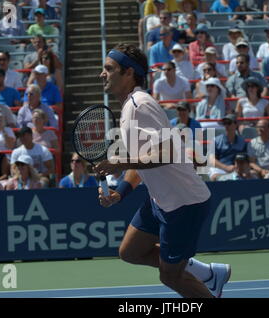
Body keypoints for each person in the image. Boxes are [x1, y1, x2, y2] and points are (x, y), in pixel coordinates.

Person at [96, 43, 231, 298]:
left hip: (183, 202)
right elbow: (140, 161)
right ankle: (208, 274)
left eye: (108, 68)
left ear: (128, 73)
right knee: (130, 251)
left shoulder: (140, 105)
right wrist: (120, 192)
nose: (102, 73)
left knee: (170, 276)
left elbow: (167, 153)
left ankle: (204, 278)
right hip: (161, 199)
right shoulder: (129, 107)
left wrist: (119, 162)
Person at [208, 114, 247, 181]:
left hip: (238, 169)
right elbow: (211, 160)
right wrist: (226, 167)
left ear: (235, 124)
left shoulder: (242, 141)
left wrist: (238, 168)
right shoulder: (216, 140)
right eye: (225, 123)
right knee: (215, 177)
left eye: (229, 123)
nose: (226, 126)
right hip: (220, 169)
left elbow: (245, 160)